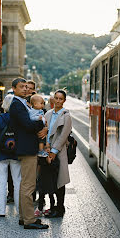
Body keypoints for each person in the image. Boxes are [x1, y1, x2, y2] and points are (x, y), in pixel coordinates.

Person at [9, 77, 49, 230]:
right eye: (21, 87)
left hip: (26, 146)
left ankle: (24, 217)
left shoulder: (21, 103)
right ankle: (29, 220)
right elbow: (27, 124)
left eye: (27, 87)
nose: (25, 89)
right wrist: (42, 123)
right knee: (29, 185)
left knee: (25, 184)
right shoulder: (17, 105)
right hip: (27, 147)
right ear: (14, 88)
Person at [0, 94, 21, 217]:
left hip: (0, 153)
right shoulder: (19, 120)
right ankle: (19, 209)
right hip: (16, 153)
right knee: (17, 181)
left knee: (1, 181)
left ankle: (1, 210)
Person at [44, 89, 72, 218]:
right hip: (47, 150)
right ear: (53, 99)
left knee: (60, 181)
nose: (58, 101)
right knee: (49, 180)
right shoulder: (48, 113)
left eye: (61, 99)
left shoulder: (66, 115)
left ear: (64, 101)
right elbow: (44, 131)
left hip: (58, 152)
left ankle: (60, 208)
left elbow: (63, 135)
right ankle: (52, 206)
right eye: (56, 98)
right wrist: (46, 148)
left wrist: (54, 152)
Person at [34, 143, 59, 217]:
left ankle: (52, 208)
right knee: (41, 195)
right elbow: (39, 165)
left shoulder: (54, 157)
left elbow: (55, 167)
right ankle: (40, 209)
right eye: (45, 148)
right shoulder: (42, 157)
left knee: (51, 195)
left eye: (49, 148)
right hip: (43, 180)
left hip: (50, 180)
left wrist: (50, 162)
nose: (48, 149)